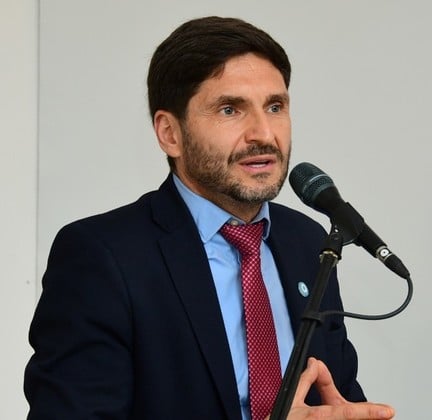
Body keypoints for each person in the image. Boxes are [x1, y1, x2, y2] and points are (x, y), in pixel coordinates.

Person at [24, 16, 395, 420]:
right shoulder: (102, 257)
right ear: (170, 134)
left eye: (275, 107)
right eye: (230, 109)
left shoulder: (307, 241)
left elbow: (340, 398)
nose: (263, 134)